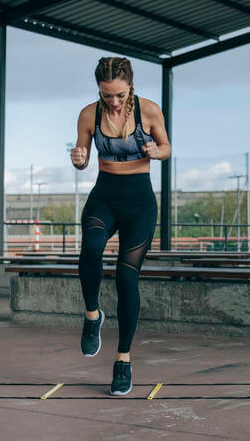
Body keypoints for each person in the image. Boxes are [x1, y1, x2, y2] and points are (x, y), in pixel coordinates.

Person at [69, 56, 170, 396]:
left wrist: (157, 151)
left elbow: (167, 147)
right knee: (92, 248)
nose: (113, 101)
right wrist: (79, 160)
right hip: (105, 195)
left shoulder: (150, 111)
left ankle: (123, 360)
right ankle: (92, 315)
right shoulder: (88, 115)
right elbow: (82, 155)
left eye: (120, 95)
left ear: (130, 86)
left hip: (139, 201)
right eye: (106, 95)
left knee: (127, 276)